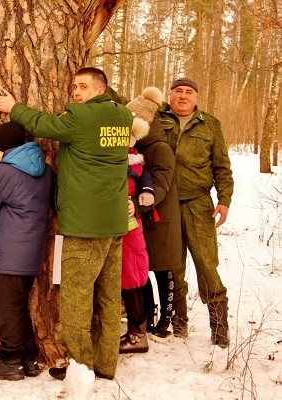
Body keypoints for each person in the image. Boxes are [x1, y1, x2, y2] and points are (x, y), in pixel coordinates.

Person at [0, 67, 132, 380]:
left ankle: (81, 366)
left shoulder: (82, 118)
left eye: (82, 87)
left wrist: (14, 108)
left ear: (98, 89)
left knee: (76, 301)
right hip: (115, 222)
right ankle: (106, 364)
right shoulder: (122, 116)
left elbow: (44, 124)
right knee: (108, 299)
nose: (76, 93)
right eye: (74, 88)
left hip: (85, 225)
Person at [158, 77, 234, 347]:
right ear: (170, 95)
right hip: (164, 204)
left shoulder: (210, 125)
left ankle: (219, 327)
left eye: (189, 92)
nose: (183, 96)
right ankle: (179, 321)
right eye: (178, 91)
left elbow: (222, 168)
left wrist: (224, 200)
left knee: (206, 264)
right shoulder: (157, 118)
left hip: (198, 204)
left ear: (196, 98)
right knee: (173, 266)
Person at [0, 122, 55, 381]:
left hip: (11, 248)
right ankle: (29, 356)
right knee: (20, 304)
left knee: (7, 307)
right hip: (34, 247)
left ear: (4, 148)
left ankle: (11, 361)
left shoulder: (2, 173)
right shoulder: (46, 170)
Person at [118, 87, 163, 354]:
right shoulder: (119, 159)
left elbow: (144, 177)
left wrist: (144, 194)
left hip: (129, 226)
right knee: (128, 275)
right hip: (117, 224)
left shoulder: (134, 161)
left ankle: (138, 333)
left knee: (132, 275)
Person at [135, 110, 182, 343]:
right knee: (142, 271)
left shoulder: (160, 148)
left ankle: (166, 320)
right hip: (144, 218)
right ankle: (149, 315)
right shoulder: (137, 148)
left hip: (161, 218)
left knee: (164, 271)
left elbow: (162, 184)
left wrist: (137, 204)